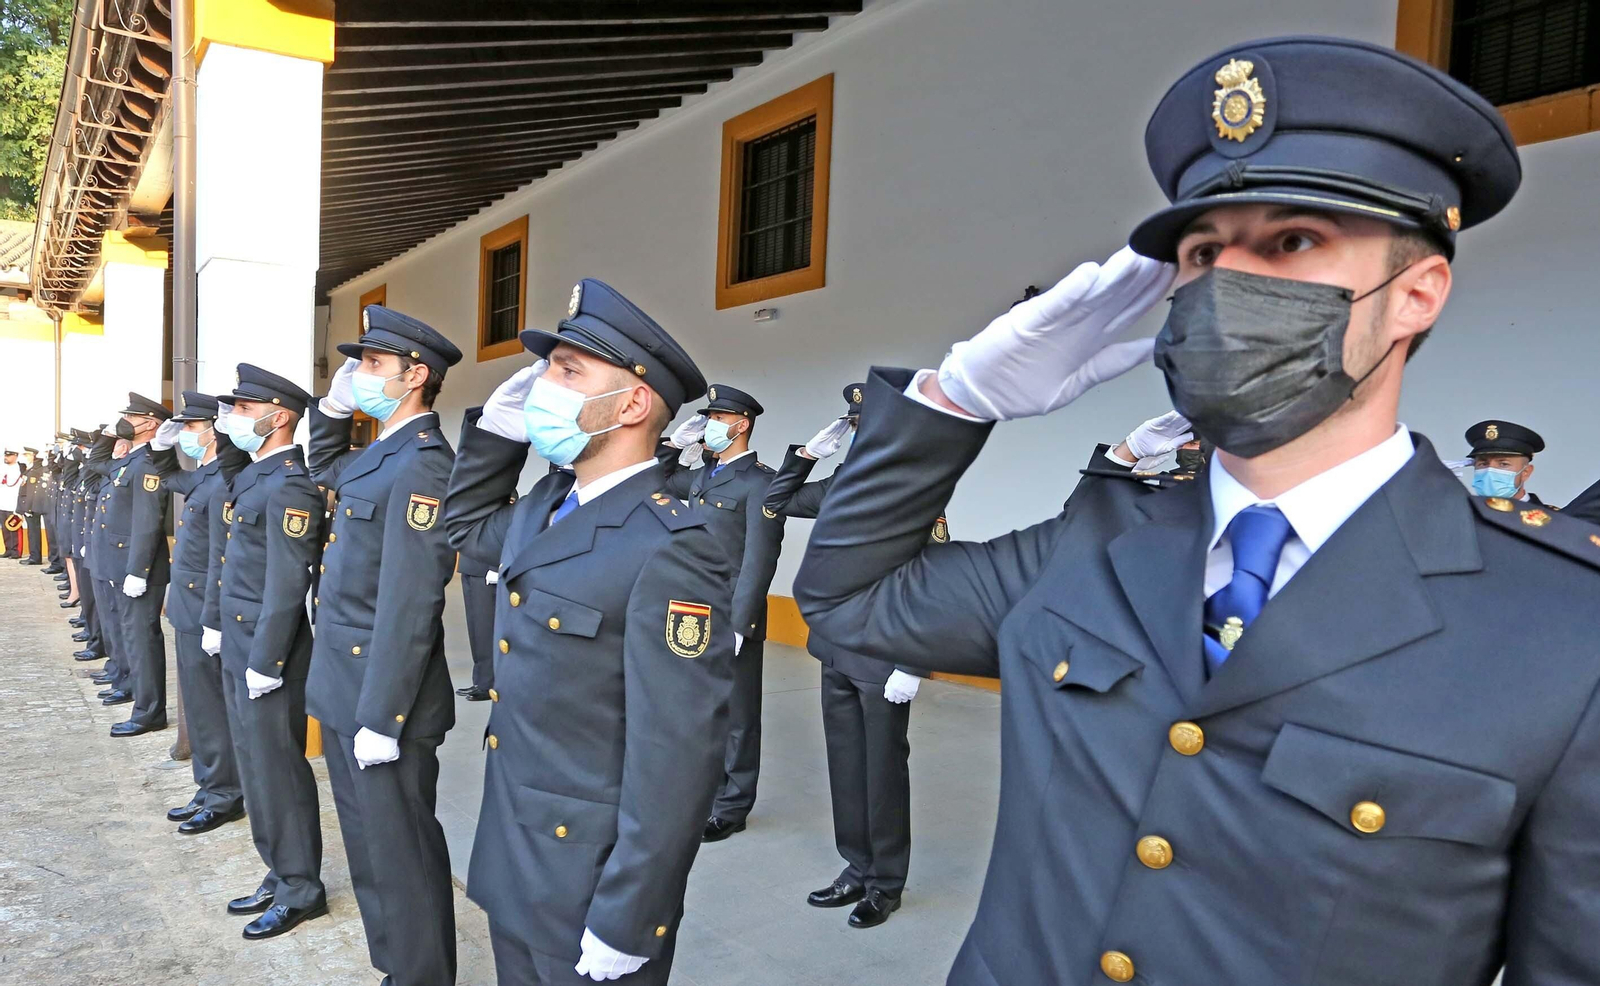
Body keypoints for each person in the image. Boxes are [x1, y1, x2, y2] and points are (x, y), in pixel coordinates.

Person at [792, 36, 1600, 985]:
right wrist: (955, 402)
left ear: (1416, 293)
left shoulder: (1563, 627)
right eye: (1203, 252)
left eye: (1293, 241)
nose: (1226, 286)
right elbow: (849, 605)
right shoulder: (1099, 544)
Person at [444, 278, 735, 985]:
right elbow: (462, 527)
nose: (544, 384)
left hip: (589, 879)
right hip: (517, 852)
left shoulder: (672, 543)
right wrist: (494, 436)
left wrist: (631, 916)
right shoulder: (548, 501)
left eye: (567, 371)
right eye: (549, 368)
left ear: (632, 403)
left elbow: (677, 752)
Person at [306, 306, 463, 986]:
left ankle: (421, 974)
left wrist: (384, 716)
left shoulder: (425, 464)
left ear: (415, 376)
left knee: (402, 852)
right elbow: (322, 463)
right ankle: (394, 967)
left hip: (383, 696)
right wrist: (334, 407)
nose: (358, 374)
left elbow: (410, 602)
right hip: (345, 684)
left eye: (371, 365)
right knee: (369, 848)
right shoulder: (377, 453)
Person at [763, 383, 936, 929]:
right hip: (836, 648)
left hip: (884, 655)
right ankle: (856, 866)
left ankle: (886, 882)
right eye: (855, 427)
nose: (862, 435)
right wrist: (807, 456)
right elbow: (777, 503)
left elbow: (929, 581)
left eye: (870, 427)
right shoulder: (841, 482)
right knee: (847, 764)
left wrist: (913, 662)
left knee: (883, 769)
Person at [202, 364, 327, 940]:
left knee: (278, 770)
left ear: (279, 417)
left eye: (245, 410)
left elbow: (287, 582)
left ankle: (302, 886)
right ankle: (277, 871)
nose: (234, 419)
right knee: (254, 766)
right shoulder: (255, 478)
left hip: (266, 652)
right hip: (239, 641)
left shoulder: (291, 486)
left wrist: (267, 661)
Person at [657, 384, 786, 843]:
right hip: (690, 606)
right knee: (697, 706)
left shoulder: (761, 481)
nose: (709, 425)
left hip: (731, 610)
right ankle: (703, 791)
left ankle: (732, 805)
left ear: (741, 424)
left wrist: (742, 621)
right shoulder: (702, 475)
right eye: (706, 418)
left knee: (737, 712)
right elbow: (655, 478)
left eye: (716, 418)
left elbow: (758, 558)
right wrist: (674, 442)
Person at [161, 392, 251, 833]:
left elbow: (220, 557)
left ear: (212, 430)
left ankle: (224, 792)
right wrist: (158, 446)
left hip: (203, 609)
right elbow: (166, 477)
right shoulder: (205, 474)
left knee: (212, 707)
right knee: (199, 705)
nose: (185, 436)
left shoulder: (223, 481)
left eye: (192, 428)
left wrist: (212, 619)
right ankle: (209, 783)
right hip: (188, 604)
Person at [85, 397, 172, 728]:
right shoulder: (129, 460)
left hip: (136, 568)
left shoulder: (147, 463)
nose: (125, 421)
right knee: (127, 636)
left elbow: (147, 522)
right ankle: (129, 685)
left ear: (150, 423)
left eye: (131, 417)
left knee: (142, 640)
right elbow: (96, 464)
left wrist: (138, 571)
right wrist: (108, 435)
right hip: (116, 563)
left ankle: (150, 713)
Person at [1463, 420, 1547, 504]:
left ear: (1526, 472)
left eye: (1503, 464)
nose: (1489, 471)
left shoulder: (1553, 516)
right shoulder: (1459, 515)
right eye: (1483, 464)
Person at [18, 446, 45, 565]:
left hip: (32, 506)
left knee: (34, 532)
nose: (25, 458)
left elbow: (31, 490)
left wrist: (28, 507)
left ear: (33, 456)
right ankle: (33, 555)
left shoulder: (35, 470)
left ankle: (35, 557)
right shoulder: (30, 469)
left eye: (27, 455)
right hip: (28, 505)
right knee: (31, 531)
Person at [1, 447, 23, 558]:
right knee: (5, 528)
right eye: (5, 455)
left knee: (14, 527)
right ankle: (8, 549)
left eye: (9, 456)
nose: (6, 458)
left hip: (13, 503)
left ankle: (16, 550)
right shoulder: (3, 468)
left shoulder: (19, 469)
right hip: (3, 502)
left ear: (15, 456)